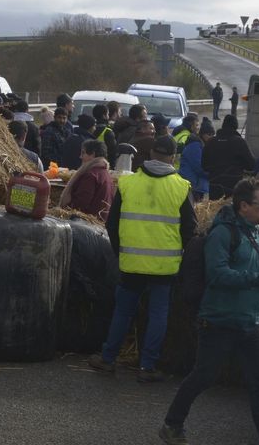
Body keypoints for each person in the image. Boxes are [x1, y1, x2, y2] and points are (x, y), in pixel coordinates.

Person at [159, 177, 259, 445]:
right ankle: (172, 423)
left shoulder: (257, 231)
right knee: (203, 377)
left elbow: (251, 270)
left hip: (250, 322)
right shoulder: (222, 233)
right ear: (243, 206)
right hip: (219, 321)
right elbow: (217, 275)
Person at [90, 136, 197, 382]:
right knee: (159, 313)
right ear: (173, 157)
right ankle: (147, 367)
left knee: (123, 311)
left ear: (150, 154)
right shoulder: (181, 187)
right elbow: (190, 230)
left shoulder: (128, 183)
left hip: (131, 263)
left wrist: (121, 252)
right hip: (165, 266)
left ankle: (108, 359)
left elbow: (112, 224)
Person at [59, 139, 115, 220]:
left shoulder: (91, 175)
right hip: (99, 222)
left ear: (93, 154)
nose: (80, 156)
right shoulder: (105, 174)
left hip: (86, 224)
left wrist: (65, 209)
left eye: (83, 153)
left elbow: (80, 204)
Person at [202, 115, 255, 199]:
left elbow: (204, 166)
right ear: (235, 126)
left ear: (223, 125)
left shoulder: (211, 142)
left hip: (214, 185)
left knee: (216, 210)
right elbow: (251, 165)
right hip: (233, 185)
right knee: (231, 210)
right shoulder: (239, 142)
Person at [178, 119, 209, 202]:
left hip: (195, 184)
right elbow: (199, 167)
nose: (211, 137)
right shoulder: (195, 146)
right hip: (191, 183)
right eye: (209, 134)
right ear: (203, 134)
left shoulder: (200, 145)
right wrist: (212, 174)